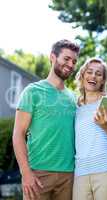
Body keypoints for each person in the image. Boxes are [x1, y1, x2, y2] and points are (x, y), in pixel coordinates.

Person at [12, 39, 80, 200]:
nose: (70, 64)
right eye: (66, 59)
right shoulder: (32, 92)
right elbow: (18, 134)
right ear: (53, 57)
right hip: (38, 174)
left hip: (68, 176)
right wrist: (26, 172)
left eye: (74, 61)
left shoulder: (74, 98)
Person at [73, 57, 107, 200]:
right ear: (83, 75)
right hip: (81, 174)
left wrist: (106, 127)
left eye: (98, 74)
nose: (93, 76)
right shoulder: (75, 108)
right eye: (89, 72)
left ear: (103, 80)